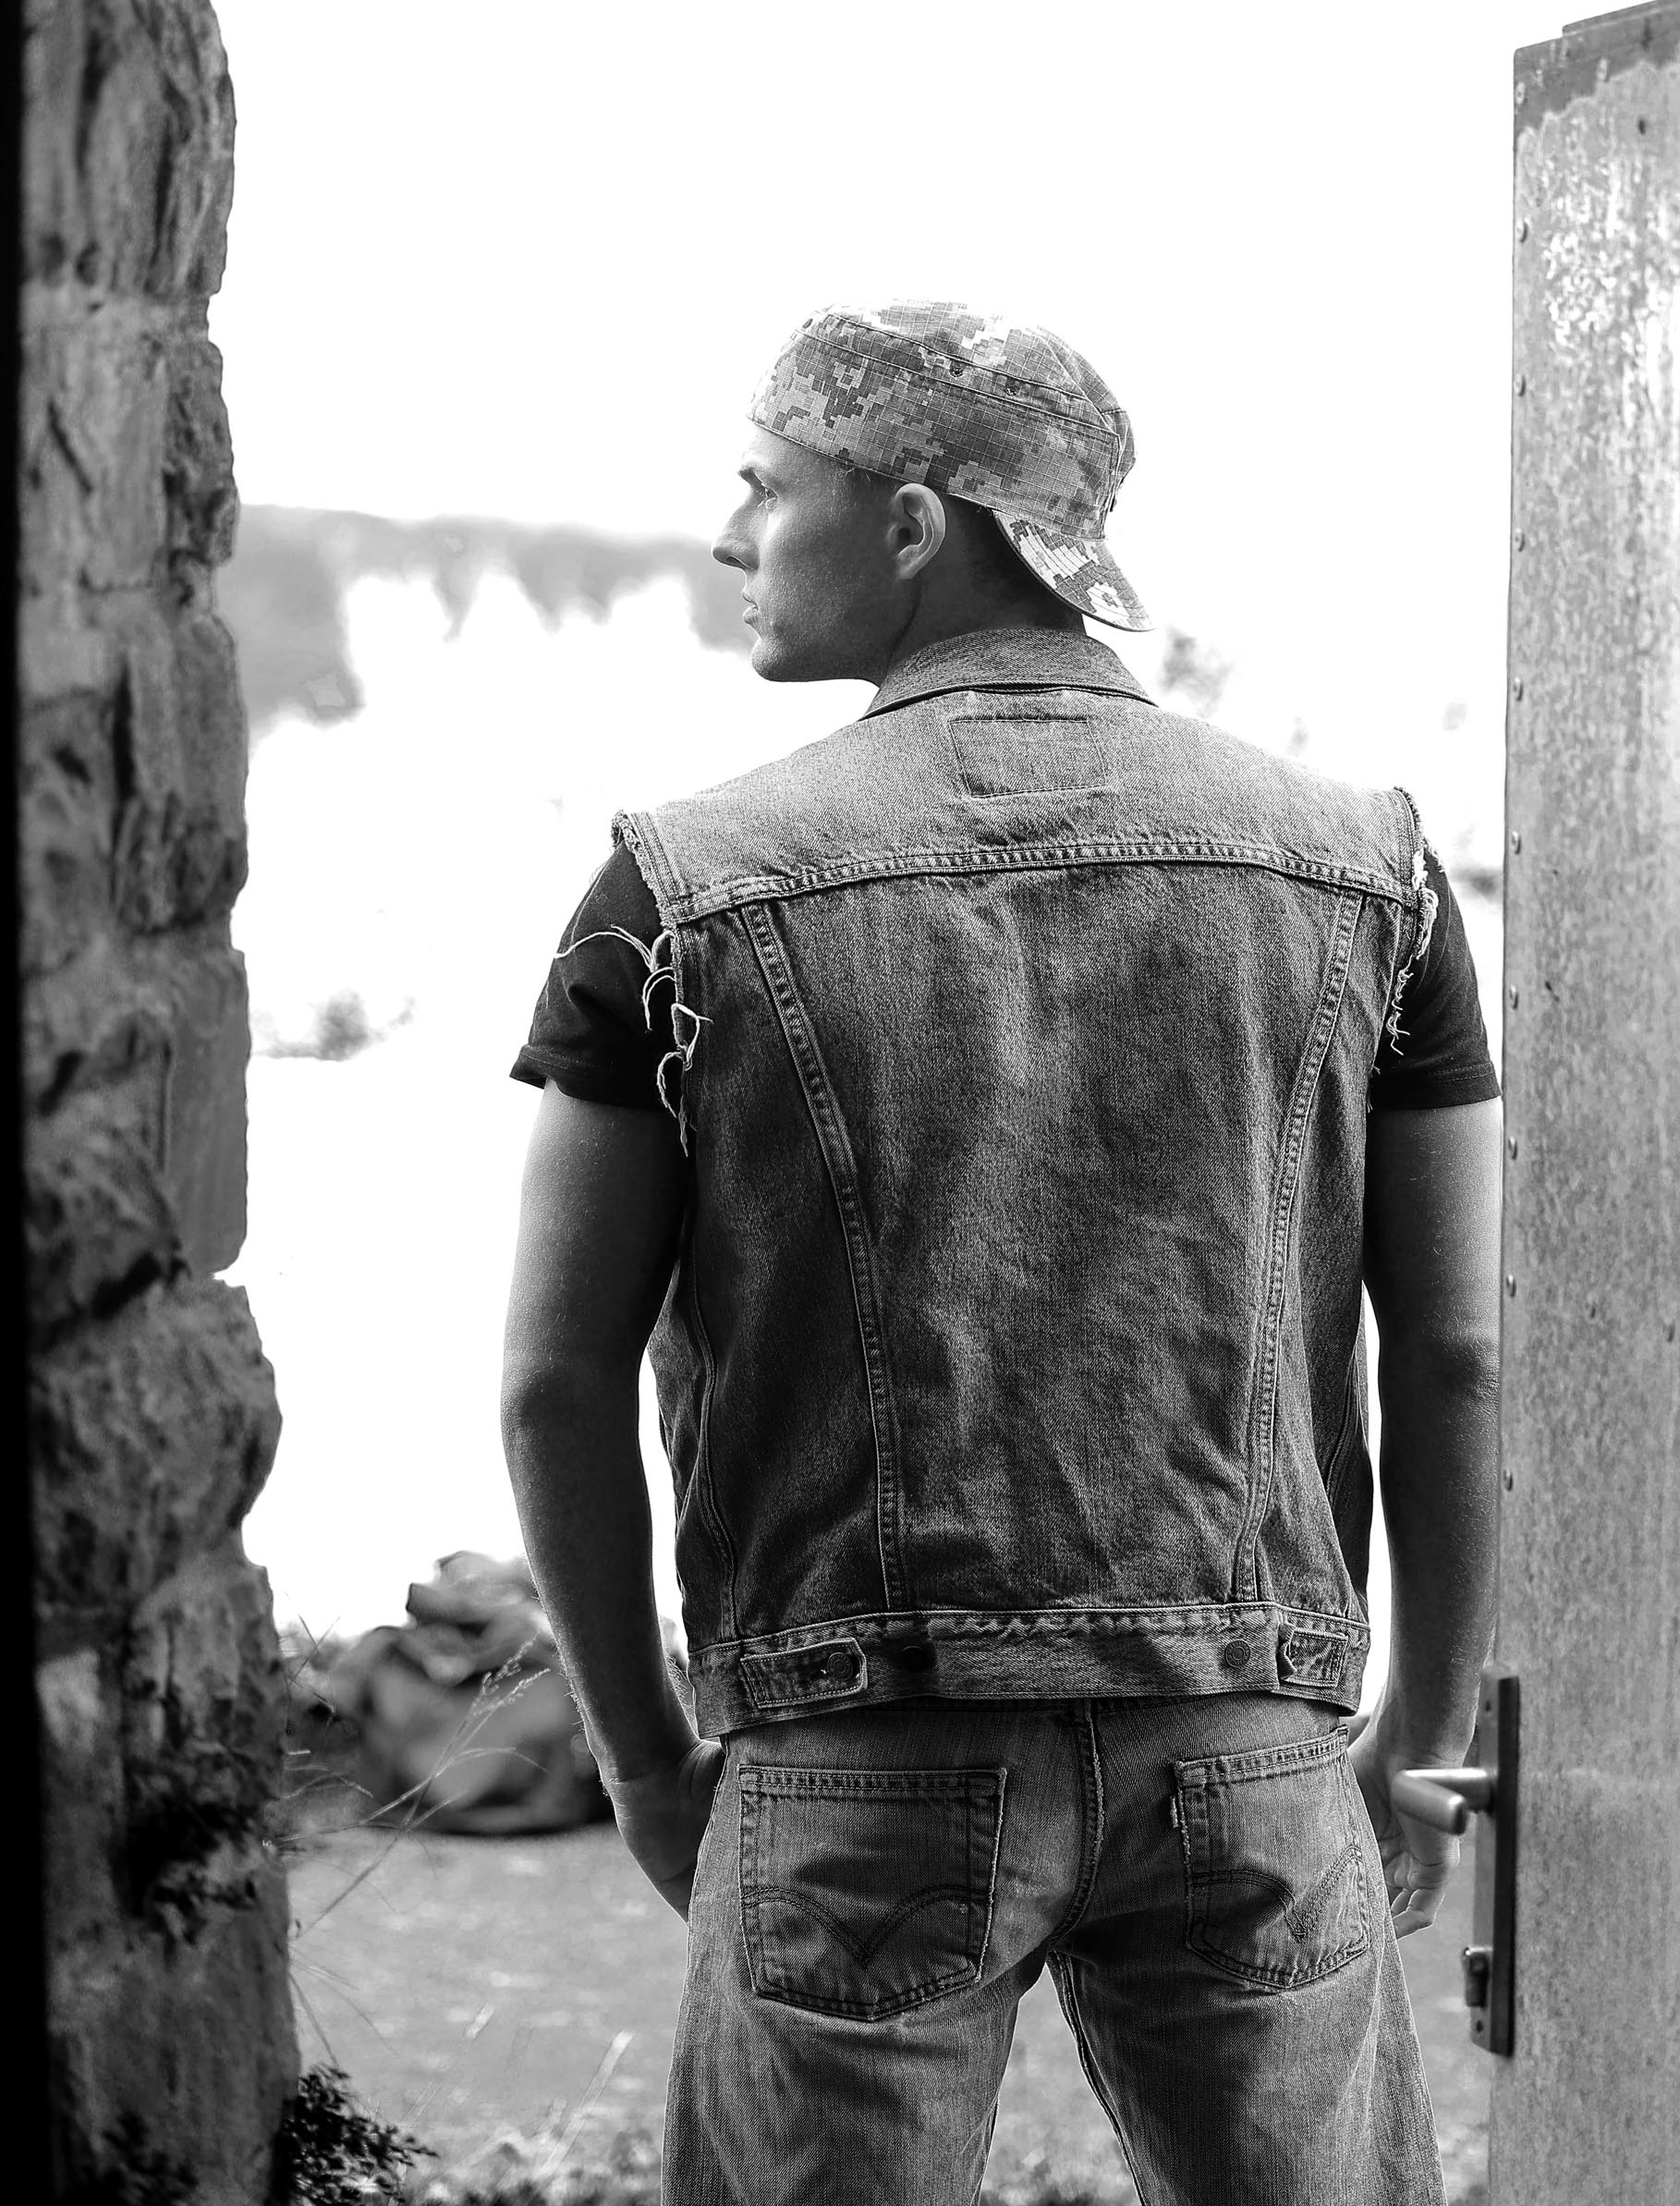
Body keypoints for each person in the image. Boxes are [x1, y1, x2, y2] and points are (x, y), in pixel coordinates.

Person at [502, 301, 1502, 2205]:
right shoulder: (1366, 869)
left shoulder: (679, 887)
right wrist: (1422, 1737)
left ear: (911, 523)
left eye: (767, 485)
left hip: (856, 1759)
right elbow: (1458, 1355)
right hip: (1247, 1750)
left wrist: (642, 1760)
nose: (727, 535)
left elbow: (554, 1379)